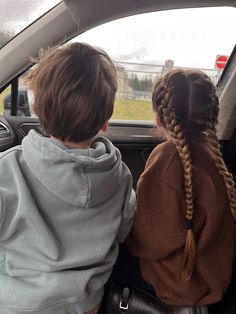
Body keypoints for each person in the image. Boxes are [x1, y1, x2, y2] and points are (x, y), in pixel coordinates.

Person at [0, 43, 135, 314]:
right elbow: (122, 233)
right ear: (104, 122)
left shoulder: (9, 170)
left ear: (39, 110)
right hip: (85, 305)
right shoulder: (120, 177)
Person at [126, 69, 236, 313]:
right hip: (209, 283)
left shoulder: (168, 161)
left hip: (176, 293)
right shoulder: (212, 155)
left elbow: (149, 241)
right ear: (211, 117)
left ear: (159, 119)